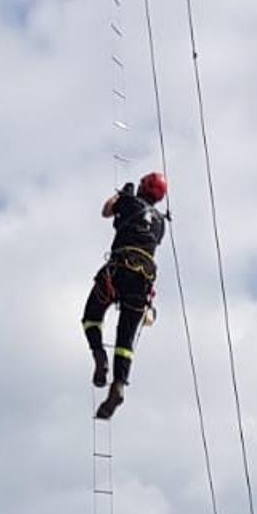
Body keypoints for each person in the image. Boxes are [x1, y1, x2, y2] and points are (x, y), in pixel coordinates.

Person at [82, 171, 168, 419]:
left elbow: (106, 211)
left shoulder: (130, 201)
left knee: (91, 317)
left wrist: (121, 194)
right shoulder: (161, 223)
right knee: (125, 340)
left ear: (143, 187)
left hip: (119, 270)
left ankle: (99, 355)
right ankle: (119, 384)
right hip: (143, 282)